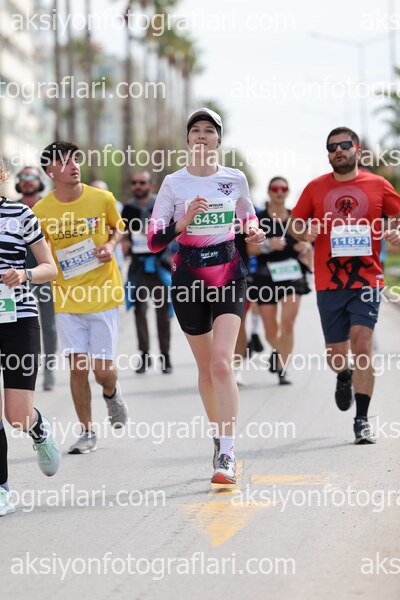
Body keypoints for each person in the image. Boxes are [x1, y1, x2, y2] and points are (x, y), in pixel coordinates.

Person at [148, 108, 265, 484]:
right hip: (188, 279)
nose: (201, 135)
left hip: (228, 274)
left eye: (209, 130)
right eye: (195, 130)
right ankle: (218, 436)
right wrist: (183, 222)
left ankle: (228, 452)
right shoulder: (174, 183)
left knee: (221, 364)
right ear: (187, 140)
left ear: (218, 140)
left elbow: (248, 216)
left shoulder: (234, 178)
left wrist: (254, 231)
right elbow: (153, 240)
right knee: (205, 368)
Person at [288, 126, 400, 443]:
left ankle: (362, 420)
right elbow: (294, 223)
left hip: (367, 279)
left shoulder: (378, 185)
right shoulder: (315, 188)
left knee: (362, 343)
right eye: (332, 147)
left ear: (357, 150)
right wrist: (304, 231)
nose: (338, 150)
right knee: (337, 355)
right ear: (328, 154)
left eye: (344, 144)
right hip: (329, 281)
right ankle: (343, 374)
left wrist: (396, 231)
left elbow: (397, 215)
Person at [34, 141, 128, 455]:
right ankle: (87, 431)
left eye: (75, 160)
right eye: (64, 162)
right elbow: (41, 251)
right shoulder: (41, 211)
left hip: (103, 295)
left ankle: (111, 392)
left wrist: (110, 246)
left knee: (102, 372)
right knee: (77, 368)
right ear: (50, 172)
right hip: (67, 298)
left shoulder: (102, 198)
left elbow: (119, 228)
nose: (74, 166)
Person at [0, 159, 61, 517]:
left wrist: (24, 274)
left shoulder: (20, 214)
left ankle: (37, 428)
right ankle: (2, 489)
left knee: (17, 416)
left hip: (18, 319)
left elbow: (50, 268)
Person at [249, 177, 312, 384]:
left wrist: (305, 247)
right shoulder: (258, 219)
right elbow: (249, 249)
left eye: (283, 188)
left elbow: (307, 243)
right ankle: (278, 351)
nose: (279, 192)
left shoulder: (296, 219)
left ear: (288, 192)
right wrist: (268, 245)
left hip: (292, 275)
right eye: (275, 188)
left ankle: (282, 368)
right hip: (265, 277)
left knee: (288, 322)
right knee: (270, 331)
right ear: (269, 191)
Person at [122, 171, 172, 374]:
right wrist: (125, 242)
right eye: (134, 182)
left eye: (142, 183)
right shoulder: (128, 208)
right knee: (140, 311)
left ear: (151, 185)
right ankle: (144, 355)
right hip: (138, 267)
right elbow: (123, 233)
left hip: (159, 265)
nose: (138, 186)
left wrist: (154, 233)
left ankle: (165, 356)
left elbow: (173, 231)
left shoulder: (161, 205)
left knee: (163, 313)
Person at [16, 166, 58, 391]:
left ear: (39, 180)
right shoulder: (12, 208)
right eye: (23, 177)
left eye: (31, 176)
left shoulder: (49, 206)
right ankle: (20, 369)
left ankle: (49, 370)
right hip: (16, 278)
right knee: (17, 324)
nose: (27, 180)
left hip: (45, 274)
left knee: (49, 326)